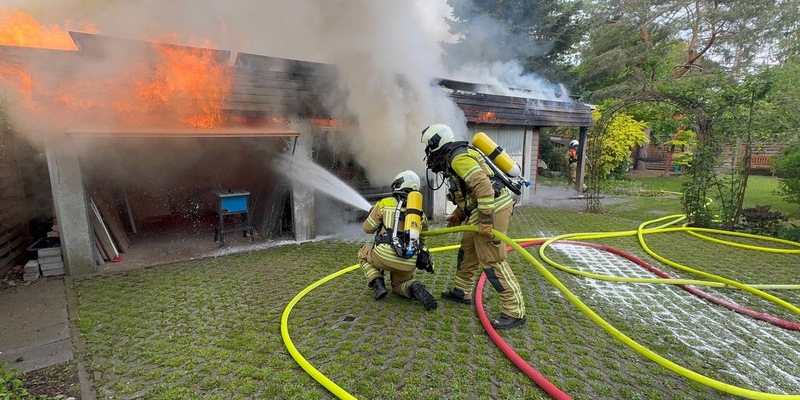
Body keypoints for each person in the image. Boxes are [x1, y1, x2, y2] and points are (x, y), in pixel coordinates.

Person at [420, 123, 526, 329]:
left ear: (436, 143)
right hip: (483, 208)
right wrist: (460, 214)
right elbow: (468, 192)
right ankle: (462, 292)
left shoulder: (458, 158)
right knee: (468, 249)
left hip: (493, 208)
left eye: (428, 147)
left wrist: (485, 222)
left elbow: (484, 189)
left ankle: (515, 310)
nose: (428, 153)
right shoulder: (453, 159)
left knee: (491, 258)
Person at [358, 170, 438, 311]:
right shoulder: (419, 213)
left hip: (384, 256)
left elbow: (367, 228)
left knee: (363, 253)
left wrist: (373, 214)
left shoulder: (385, 203)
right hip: (408, 261)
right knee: (400, 285)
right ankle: (413, 287)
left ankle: (378, 283)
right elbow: (422, 239)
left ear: (398, 184)